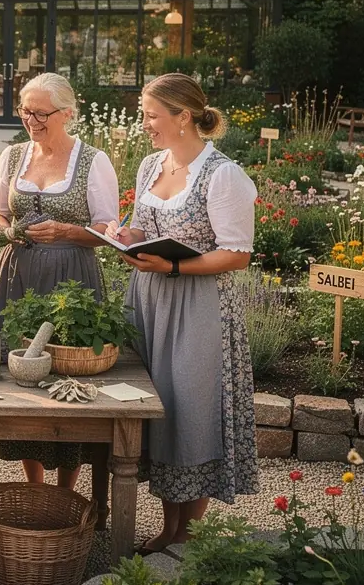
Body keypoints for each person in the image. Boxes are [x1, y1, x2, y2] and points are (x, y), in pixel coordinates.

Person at [105, 72, 258, 551]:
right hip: (149, 300)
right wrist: (124, 237)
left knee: (190, 411)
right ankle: (168, 528)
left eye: (151, 115)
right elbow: (142, 227)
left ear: (183, 117)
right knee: (160, 411)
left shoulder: (223, 175)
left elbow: (236, 254)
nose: (144, 124)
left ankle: (187, 537)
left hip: (198, 306)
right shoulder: (152, 165)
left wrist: (172, 265)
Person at [0, 72, 119, 494]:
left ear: (68, 114)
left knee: (67, 375)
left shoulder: (93, 160)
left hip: (71, 279)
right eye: (26, 111)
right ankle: (35, 487)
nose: (31, 120)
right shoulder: (12, 156)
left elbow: (108, 229)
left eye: (41, 113)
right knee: (21, 376)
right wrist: (9, 232)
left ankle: (65, 491)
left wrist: (66, 231)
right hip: (17, 275)